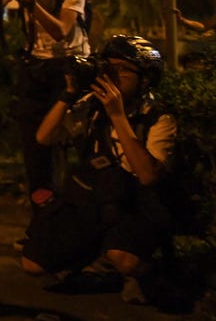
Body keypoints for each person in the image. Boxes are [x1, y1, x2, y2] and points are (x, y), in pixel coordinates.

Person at [20, 36, 174, 305]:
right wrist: (68, 94)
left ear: (146, 79)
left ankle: (150, 272)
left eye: (122, 70)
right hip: (95, 198)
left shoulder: (158, 117)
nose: (112, 75)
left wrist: (118, 116)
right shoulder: (92, 106)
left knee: (124, 259)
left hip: (133, 203)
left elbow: (148, 176)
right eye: (108, 67)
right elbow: (44, 137)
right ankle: (96, 260)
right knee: (32, 264)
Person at [0, 0, 90, 208]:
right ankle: (43, 213)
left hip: (70, 65)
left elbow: (61, 31)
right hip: (36, 66)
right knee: (34, 145)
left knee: (79, 140)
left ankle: (84, 206)